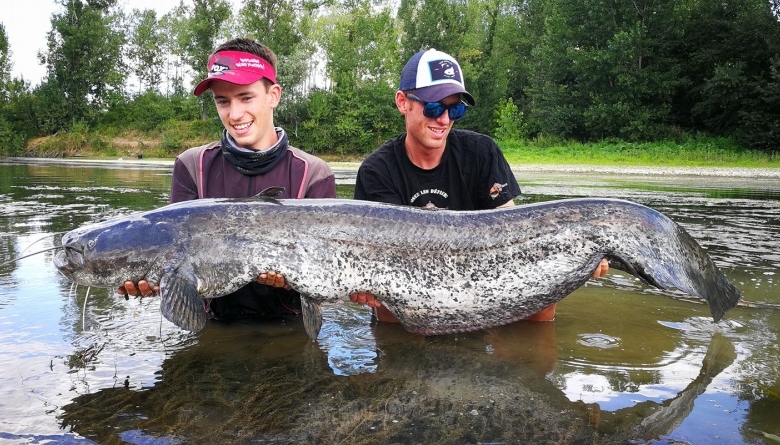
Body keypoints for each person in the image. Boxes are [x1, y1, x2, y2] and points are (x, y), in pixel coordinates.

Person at [349, 48, 609, 322]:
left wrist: (580, 259)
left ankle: (527, 356)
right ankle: (403, 358)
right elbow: (377, 256)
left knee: (544, 298)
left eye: (455, 109)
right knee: (386, 303)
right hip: (408, 280)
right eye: (434, 107)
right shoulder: (376, 170)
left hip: (483, 275)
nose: (444, 119)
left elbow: (513, 230)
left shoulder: (481, 151)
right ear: (403, 102)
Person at [119, 37, 336, 322]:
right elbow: (174, 262)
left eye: (246, 98)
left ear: (274, 95)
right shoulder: (191, 165)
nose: (235, 114)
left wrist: (290, 279)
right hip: (214, 324)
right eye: (223, 101)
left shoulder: (314, 173)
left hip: (288, 325)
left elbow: (324, 273)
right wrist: (148, 278)